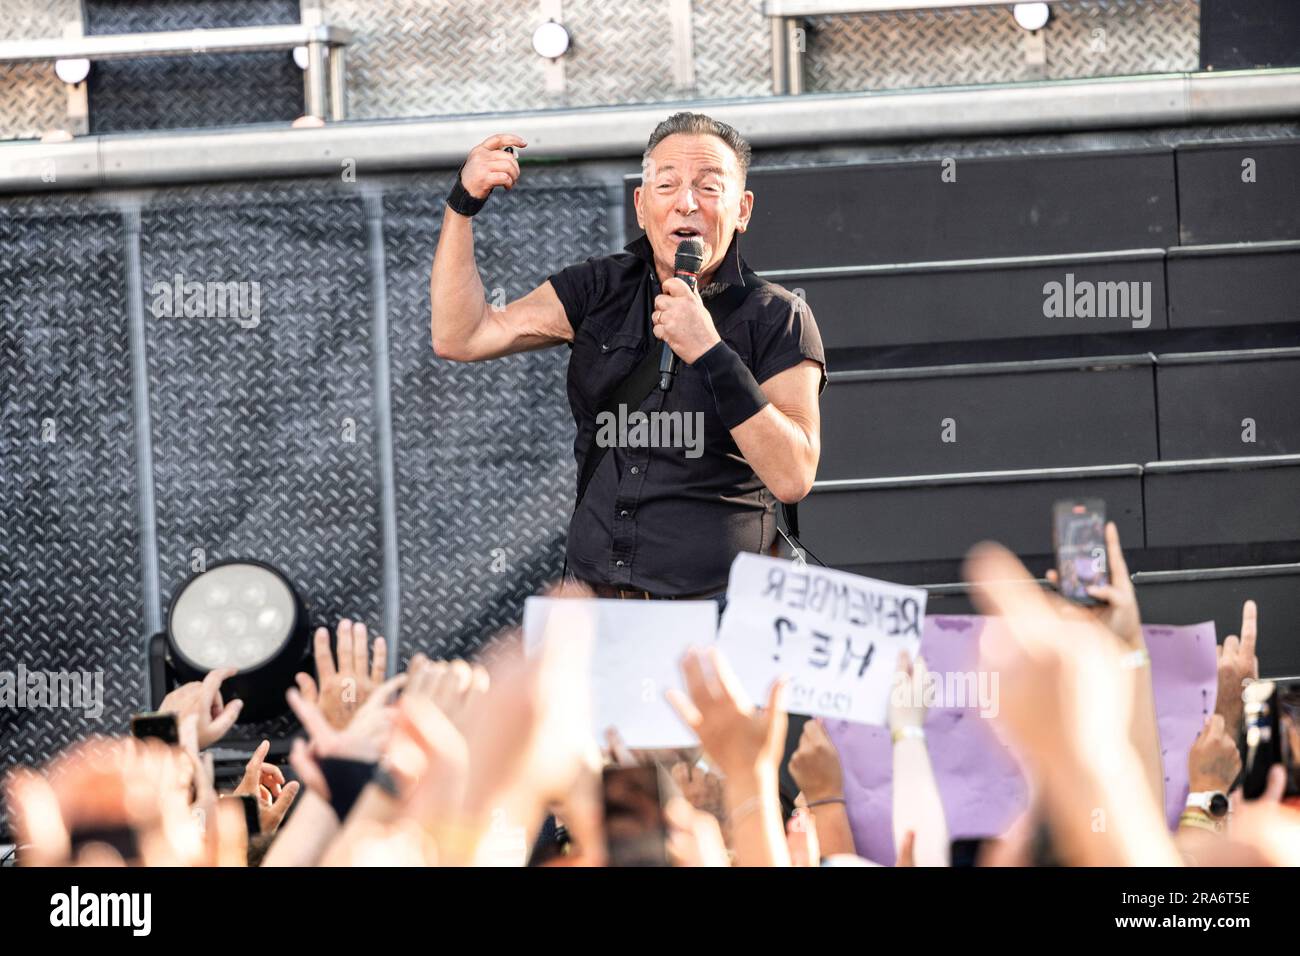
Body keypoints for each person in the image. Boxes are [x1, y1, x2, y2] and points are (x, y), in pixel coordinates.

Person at [429, 111, 826, 602]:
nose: (686, 204)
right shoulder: (600, 289)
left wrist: (709, 350)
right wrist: (461, 207)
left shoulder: (777, 317)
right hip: (594, 611)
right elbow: (461, 336)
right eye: (667, 185)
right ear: (641, 205)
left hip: (715, 616)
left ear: (742, 208)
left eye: (708, 187)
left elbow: (792, 475)